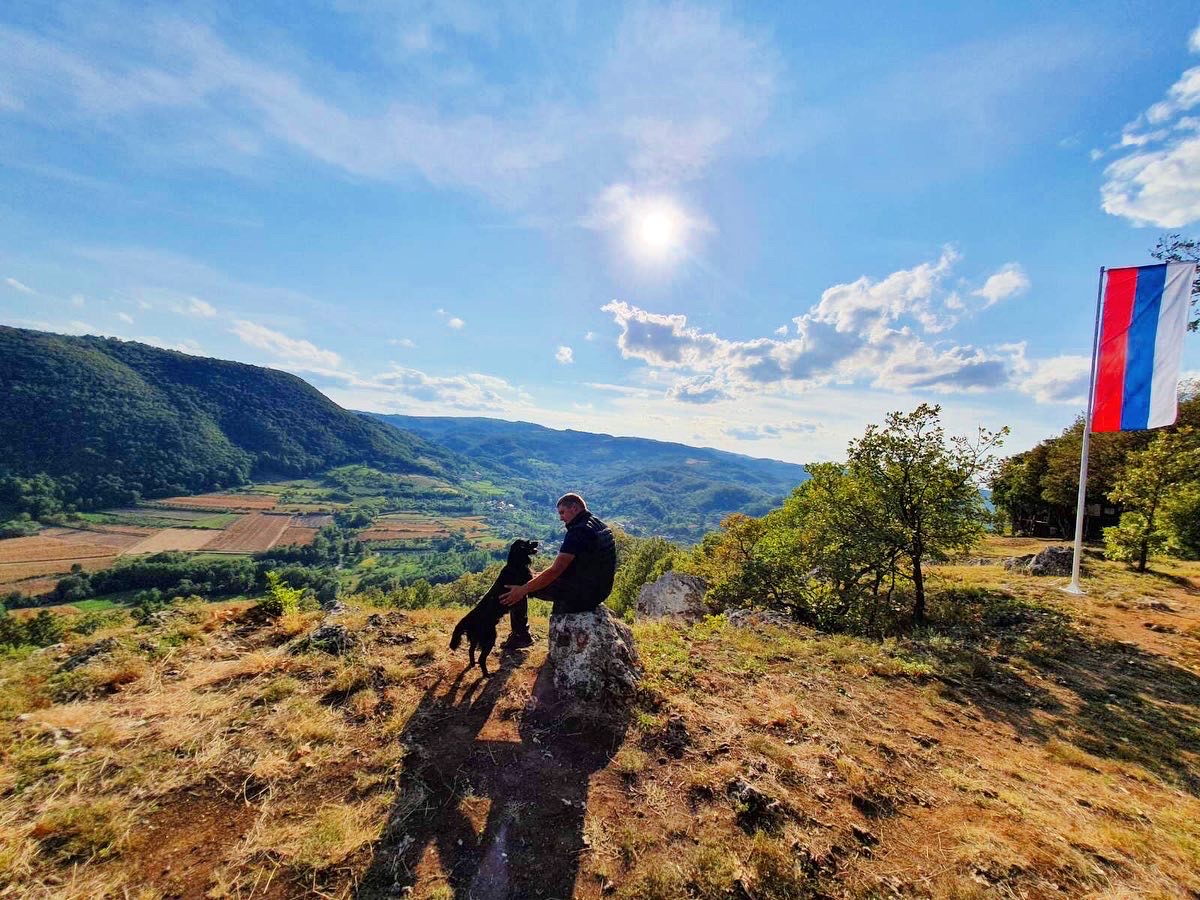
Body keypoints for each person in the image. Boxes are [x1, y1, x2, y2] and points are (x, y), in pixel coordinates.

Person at [498, 493, 617, 648]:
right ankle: (520, 634)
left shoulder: (578, 532)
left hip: (581, 595)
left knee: (516, 580)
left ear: (574, 508)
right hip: (598, 590)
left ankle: (520, 635)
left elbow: (555, 570)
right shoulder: (599, 525)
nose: (561, 518)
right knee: (528, 576)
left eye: (562, 512)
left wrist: (522, 590)